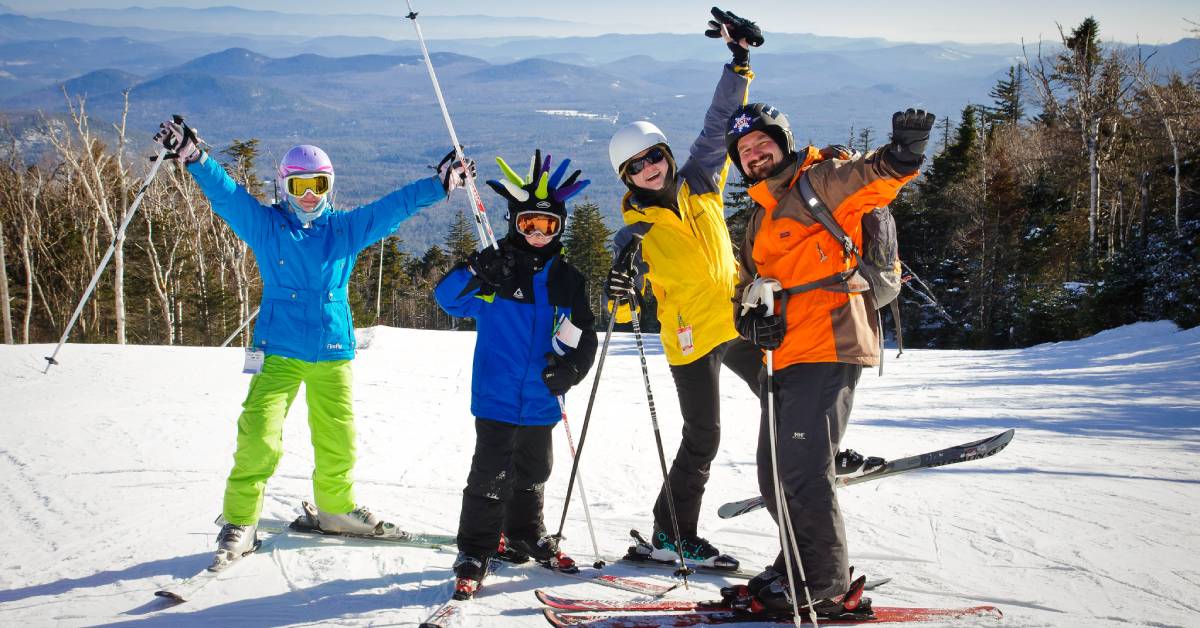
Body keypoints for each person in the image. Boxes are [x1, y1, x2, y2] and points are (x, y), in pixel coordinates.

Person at [152, 119, 472, 566]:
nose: (309, 195)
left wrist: (439, 185)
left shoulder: (344, 229)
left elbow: (392, 208)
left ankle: (336, 508)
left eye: (318, 184)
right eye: (300, 185)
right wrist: (195, 158)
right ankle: (240, 520)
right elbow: (227, 197)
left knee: (337, 436)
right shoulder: (267, 227)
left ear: (329, 186)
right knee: (259, 435)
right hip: (279, 349)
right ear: (284, 186)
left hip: (332, 350)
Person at [726, 103, 936, 615]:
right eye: (744, 151)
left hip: (830, 343)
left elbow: (875, 178)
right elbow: (749, 286)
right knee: (774, 473)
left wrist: (904, 153)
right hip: (783, 355)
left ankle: (824, 585)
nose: (754, 155)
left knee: (802, 471)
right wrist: (749, 320)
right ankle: (794, 564)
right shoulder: (761, 211)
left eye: (762, 144)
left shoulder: (821, 180)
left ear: (783, 139)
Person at [434, 149, 598, 599]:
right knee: (490, 473)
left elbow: (585, 335)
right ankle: (475, 549)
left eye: (548, 225)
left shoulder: (569, 278)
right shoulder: (496, 270)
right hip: (497, 394)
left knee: (534, 470)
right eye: (528, 223)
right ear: (513, 223)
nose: (538, 233)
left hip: (543, 396)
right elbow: (446, 299)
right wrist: (474, 268)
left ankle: (524, 534)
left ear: (560, 226)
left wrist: (571, 371)